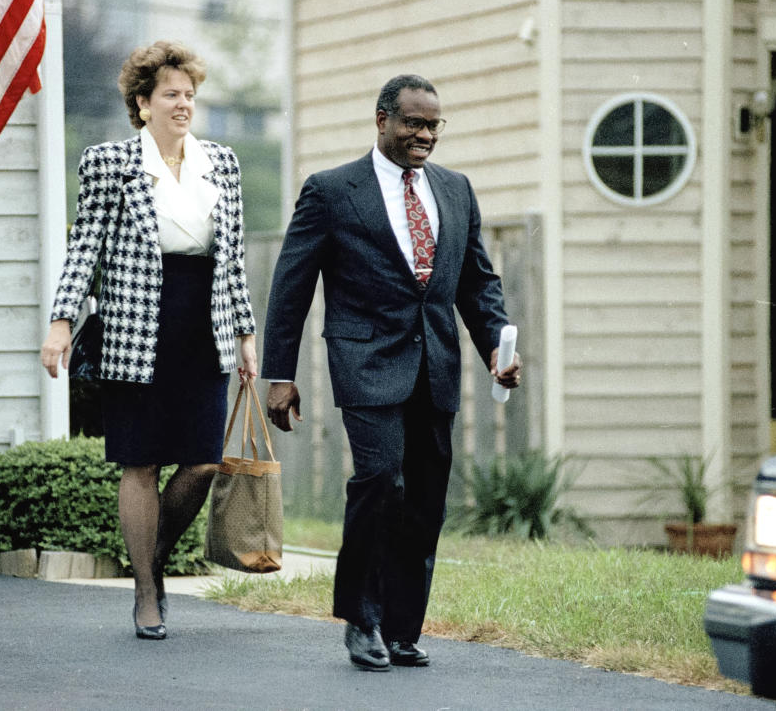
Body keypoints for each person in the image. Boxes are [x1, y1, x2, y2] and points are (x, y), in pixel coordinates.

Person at [261, 74, 521, 671]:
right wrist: (281, 373)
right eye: (413, 123)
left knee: (425, 498)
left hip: (435, 365)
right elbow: (291, 287)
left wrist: (494, 349)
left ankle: (404, 627)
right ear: (382, 120)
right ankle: (362, 618)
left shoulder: (456, 191)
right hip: (366, 362)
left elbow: (477, 283)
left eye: (433, 125)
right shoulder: (331, 191)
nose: (424, 135)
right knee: (381, 483)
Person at [41, 41, 257, 641]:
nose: (183, 104)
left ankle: (151, 559)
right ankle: (144, 593)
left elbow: (233, 259)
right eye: (171, 95)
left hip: (203, 323)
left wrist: (244, 333)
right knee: (140, 462)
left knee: (203, 460)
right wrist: (61, 321)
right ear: (142, 103)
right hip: (135, 325)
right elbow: (85, 247)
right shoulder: (109, 162)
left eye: (189, 94)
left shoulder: (224, 163)